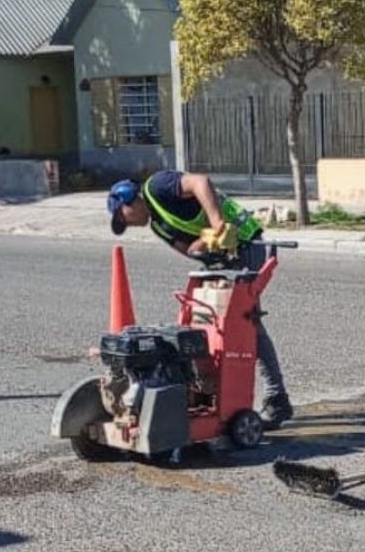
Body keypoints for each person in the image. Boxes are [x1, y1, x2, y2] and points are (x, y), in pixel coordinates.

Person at [107, 170, 293, 429]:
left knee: (245, 323)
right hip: (221, 259)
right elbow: (189, 249)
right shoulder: (159, 226)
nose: (127, 224)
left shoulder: (157, 186)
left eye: (122, 217)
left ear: (129, 200)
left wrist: (217, 224)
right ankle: (211, 396)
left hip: (245, 243)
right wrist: (206, 243)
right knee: (205, 325)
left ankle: (277, 397)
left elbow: (199, 182)